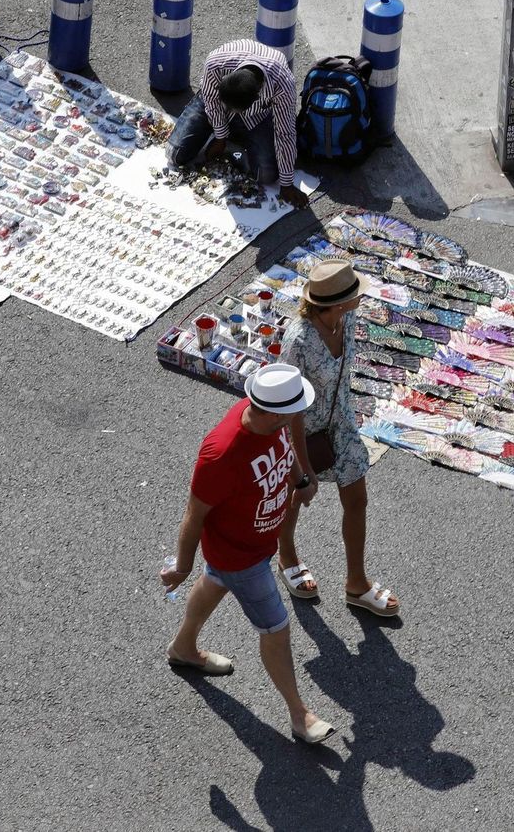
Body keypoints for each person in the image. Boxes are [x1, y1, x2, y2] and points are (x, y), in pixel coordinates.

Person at [160, 362, 336, 745]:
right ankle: (299, 714)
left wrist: (300, 479)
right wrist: (182, 565)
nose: (299, 415)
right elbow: (194, 514)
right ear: (272, 410)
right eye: (294, 410)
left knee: (216, 580)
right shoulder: (221, 454)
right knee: (276, 626)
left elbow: (285, 444)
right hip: (241, 554)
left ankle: (183, 648)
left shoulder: (272, 421)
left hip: (251, 546)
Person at [279, 260, 400, 617]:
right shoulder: (298, 342)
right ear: (336, 302)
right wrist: (303, 471)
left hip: (341, 424)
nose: (360, 299)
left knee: (357, 498)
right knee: (296, 494)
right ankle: (286, 554)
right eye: (354, 296)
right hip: (303, 430)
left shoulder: (347, 321)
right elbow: (290, 412)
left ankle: (356, 583)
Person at [166, 38, 309, 210]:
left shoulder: (282, 84)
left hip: (257, 116)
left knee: (267, 176)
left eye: (236, 111)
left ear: (258, 97)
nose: (232, 114)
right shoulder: (216, 64)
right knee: (175, 154)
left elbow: (285, 133)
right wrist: (220, 138)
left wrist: (286, 184)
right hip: (214, 106)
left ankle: (236, 137)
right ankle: (227, 134)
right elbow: (211, 102)